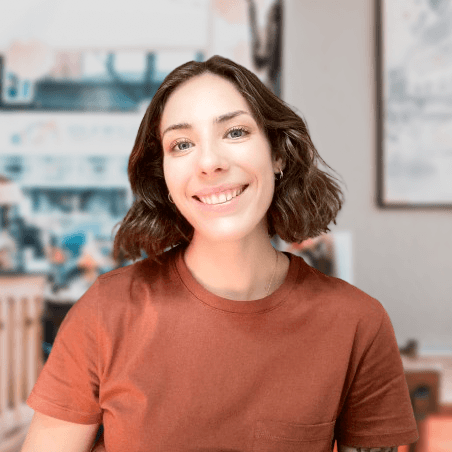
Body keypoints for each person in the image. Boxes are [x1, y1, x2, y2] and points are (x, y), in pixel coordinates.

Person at [21, 55, 418, 452]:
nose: (209, 163)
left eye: (235, 132)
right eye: (182, 144)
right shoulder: (105, 313)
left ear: (277, 154)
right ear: (165, 175)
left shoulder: (356, 323)